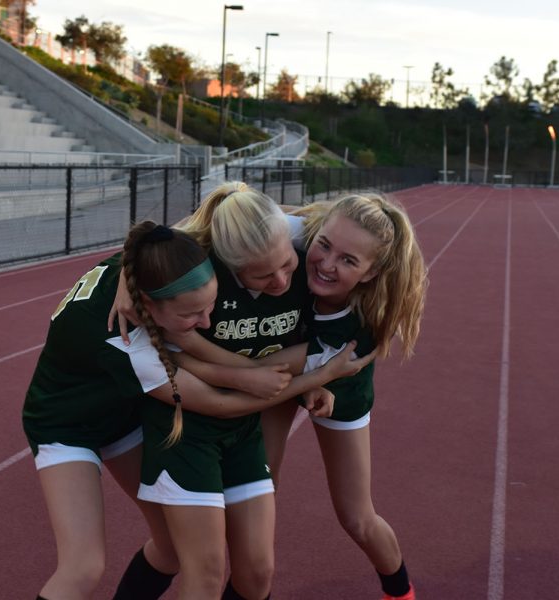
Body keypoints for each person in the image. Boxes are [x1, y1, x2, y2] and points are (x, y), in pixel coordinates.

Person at [24, 219, 365, 600]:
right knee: (83, 568)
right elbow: (220, 404)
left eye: (210, 308)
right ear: (149, 307)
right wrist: (318, 376)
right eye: (191, 316)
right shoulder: (130, 345)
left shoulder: (154, 260)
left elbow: (155, 234)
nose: (204, 323)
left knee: (171, 548)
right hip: (65, 425)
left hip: (122, 411)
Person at [111, 182, 375, 600]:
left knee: (257, 573)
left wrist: (307, 388)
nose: (283, 280)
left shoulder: (304, 258)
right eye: (263, 275)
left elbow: (301, 351)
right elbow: (178, 353)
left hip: (244, 429)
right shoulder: (198, 278)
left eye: (287, 265)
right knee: (199, 569)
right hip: (188, 430)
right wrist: (123, 280)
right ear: (229, 268)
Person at [261, 193, 427, 600]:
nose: (327, 264)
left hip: (337, 386)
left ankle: (400, 591)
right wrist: (128, 276)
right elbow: (203, 223)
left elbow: (272, 371)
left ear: (371, 273)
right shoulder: (295, 235)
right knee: (258, 494)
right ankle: (251, 584)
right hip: (278, 370)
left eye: (349, 261)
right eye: (325, 245)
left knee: (356, 516)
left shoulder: (356, 333)